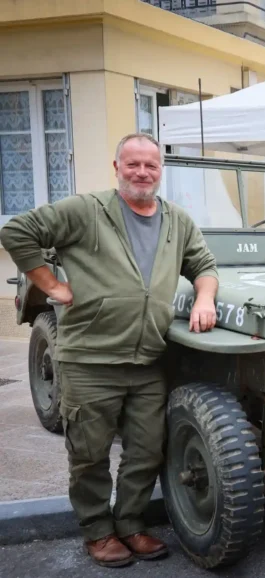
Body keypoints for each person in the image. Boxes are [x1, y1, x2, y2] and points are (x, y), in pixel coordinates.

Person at [0, 133, 218, 568]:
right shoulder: (86, 210)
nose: (142, 173)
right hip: (90, 360)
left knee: (146, 451)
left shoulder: (177, 220)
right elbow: (16, 231)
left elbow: (204, 266)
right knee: (89, 453)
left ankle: (132, 523)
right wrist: (51, 285)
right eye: (133, 164)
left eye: (150, 166)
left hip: (148, 360)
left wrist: (205, 297)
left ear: (161, 171)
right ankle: (98, 532)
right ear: (116, 167)